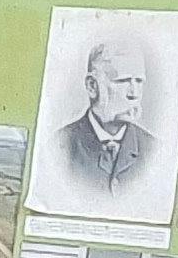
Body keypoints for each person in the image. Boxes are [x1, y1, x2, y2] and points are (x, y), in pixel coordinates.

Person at [55, 34, 162, 194]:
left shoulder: (156, 152)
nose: (134, 94)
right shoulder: (58, 147)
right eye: (123, 81)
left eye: (139, 81)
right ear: (92, 86)